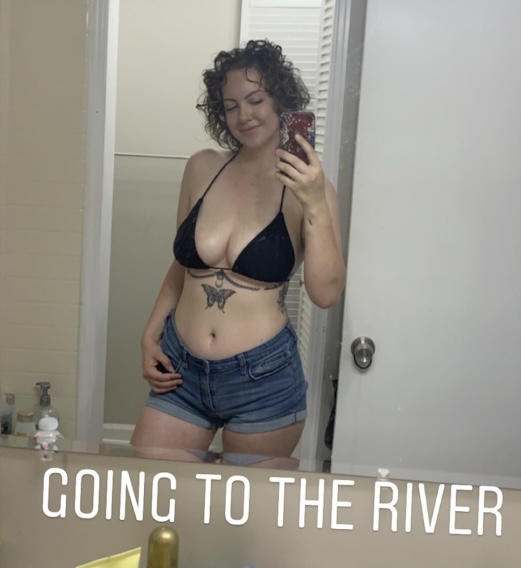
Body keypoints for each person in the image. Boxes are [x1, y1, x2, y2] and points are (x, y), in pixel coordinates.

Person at [131, 39, 346, 458]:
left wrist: (315, 203)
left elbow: (326, 293)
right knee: (151, 486)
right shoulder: (202, 167)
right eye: (230, 106)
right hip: (181, 370)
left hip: (263, 380)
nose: (243, 115)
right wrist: (149, 333)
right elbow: (183, 265)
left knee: (244, 501)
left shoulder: (310, 190)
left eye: (256, 100)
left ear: (280, 100)